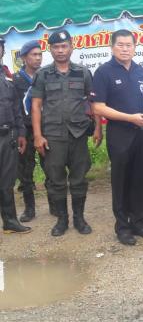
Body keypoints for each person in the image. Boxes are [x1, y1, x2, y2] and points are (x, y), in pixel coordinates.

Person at [31, 29, 102, 237]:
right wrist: (37, 136)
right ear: (50, 49)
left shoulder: (83, 72)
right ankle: (62, 220)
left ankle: (79, 218)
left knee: (79, 179)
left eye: (64, 46)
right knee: (56, 180)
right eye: (56, 47)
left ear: (71, 47)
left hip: (78, 134)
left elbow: (94, 103)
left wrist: (98, 128)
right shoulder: (43, 74)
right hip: (53, 136)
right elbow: (36, 106)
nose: (60, 50)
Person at [91, 29, 143, 246]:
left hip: (142, 133)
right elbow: (98, 107)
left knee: (141, 178)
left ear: (135, 47)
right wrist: (130, 118)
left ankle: (139, 223)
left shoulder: (139, 71)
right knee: (121, 181)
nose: (125, 49)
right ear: (112, 47)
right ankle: (123, 227)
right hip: (119, 134)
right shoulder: (103, 72)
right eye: (120, 45)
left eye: (129, 45)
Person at [13, 40, 54, 222]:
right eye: (33, 55)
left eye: (40, 54)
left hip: (45, 129)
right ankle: (29, 209)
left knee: (51, 167)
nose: (38, 58)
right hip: (25, 131)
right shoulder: (15, 80)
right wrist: (19, 132)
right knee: (25, 171)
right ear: (24, 57)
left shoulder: (46, 75)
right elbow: (15, 108)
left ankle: (54, 205)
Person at [0, 53, 31, 234]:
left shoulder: (7, 76)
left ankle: (10, 221)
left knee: (7, 181)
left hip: (7, 135)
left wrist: (21, 133)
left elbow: (17, 108)